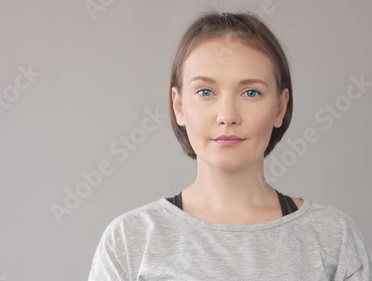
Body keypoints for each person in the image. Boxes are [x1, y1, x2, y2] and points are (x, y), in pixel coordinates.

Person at [88, 10, 371, 280]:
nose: (228, 116)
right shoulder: (129, 240)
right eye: (205, 91)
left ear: (280, 108)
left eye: (251, 92)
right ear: (179, 106)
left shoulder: (333, 237)